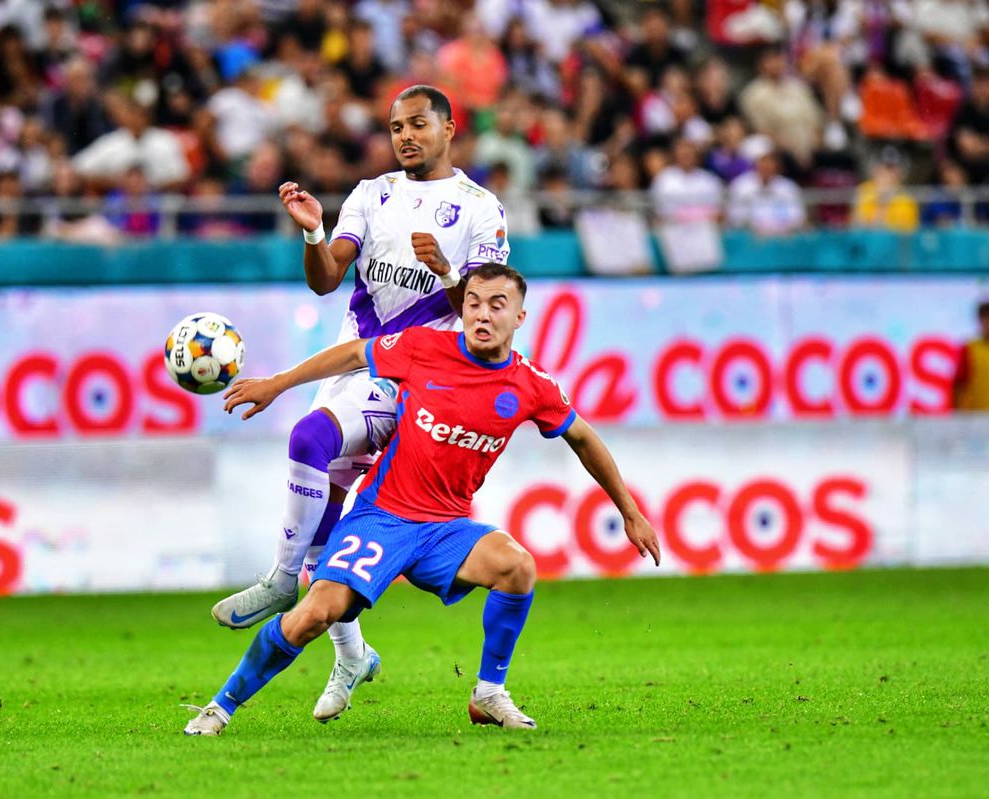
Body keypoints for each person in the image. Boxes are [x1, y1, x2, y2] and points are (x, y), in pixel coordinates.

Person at [183, 264, 660, 736]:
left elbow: (583, 437)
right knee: (314, 614)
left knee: (517, 567)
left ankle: (489, 693)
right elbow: (353, 354)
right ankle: (220, 708)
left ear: (520, 317)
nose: (482, 314)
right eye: (473, 303)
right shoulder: (423, 348)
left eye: (497, 305)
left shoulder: (532, 384)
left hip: (446, 529)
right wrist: (278, 383)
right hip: (382, 518)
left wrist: (631, 512)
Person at [209, 84, 511, 723]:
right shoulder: (371, 194)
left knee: (308, 440)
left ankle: (283, 579)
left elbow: (482, 310)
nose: (406, 136)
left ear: (449, 129)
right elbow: (326, 279)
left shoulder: (481, 209)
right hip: (354, 365)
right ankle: (352, 655)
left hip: (413, 377)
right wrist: (314, 232)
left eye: (418, 124)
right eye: (396, 127)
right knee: (328, 512)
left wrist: (450, 275)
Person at [953, 301, 989, 412]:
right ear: (980, 321)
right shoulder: (969, 349)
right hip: (976, 416)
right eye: (985, 319)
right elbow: (958, 386)